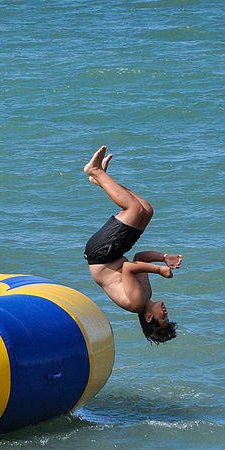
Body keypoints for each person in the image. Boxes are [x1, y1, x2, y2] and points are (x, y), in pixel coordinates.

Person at [82, 146, 182, 344]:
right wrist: (164, 257)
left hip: (101, 254)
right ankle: (100, 179)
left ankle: (94, 171)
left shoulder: (136, 303)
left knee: (134, 209)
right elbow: (139, 259)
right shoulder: (146, 294)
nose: (165, 311)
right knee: (146, 210)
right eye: (167, 315)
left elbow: (128, 268)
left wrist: (160, 271)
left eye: (163, 317)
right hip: (114, 253)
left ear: (148, 318)